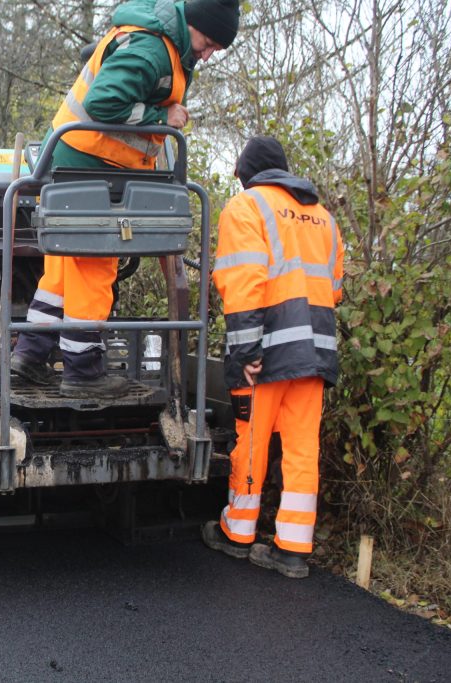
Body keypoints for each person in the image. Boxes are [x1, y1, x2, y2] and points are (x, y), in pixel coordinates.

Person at [11, 0, 241, 398]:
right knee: (96, 262)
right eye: (208, 42)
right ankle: (83, 372)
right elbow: (103, 103)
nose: (208, 53)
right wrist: (161, 118)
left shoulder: (162, 43)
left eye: (216, 49)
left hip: (83, 159)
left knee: (65, 268)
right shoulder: (152, 48)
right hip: (92, 161)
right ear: (194, 24)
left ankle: (30, 353)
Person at [201, 136, 345, 579]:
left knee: (253, 438)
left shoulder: (246, 207)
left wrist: (245, 349)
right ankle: (293, 549)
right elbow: (334, 288)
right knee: (303, 447)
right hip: (315, 348)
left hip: (263, 350)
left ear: (247, 174)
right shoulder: (323, 218)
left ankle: (239, 533)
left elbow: (245, 283)